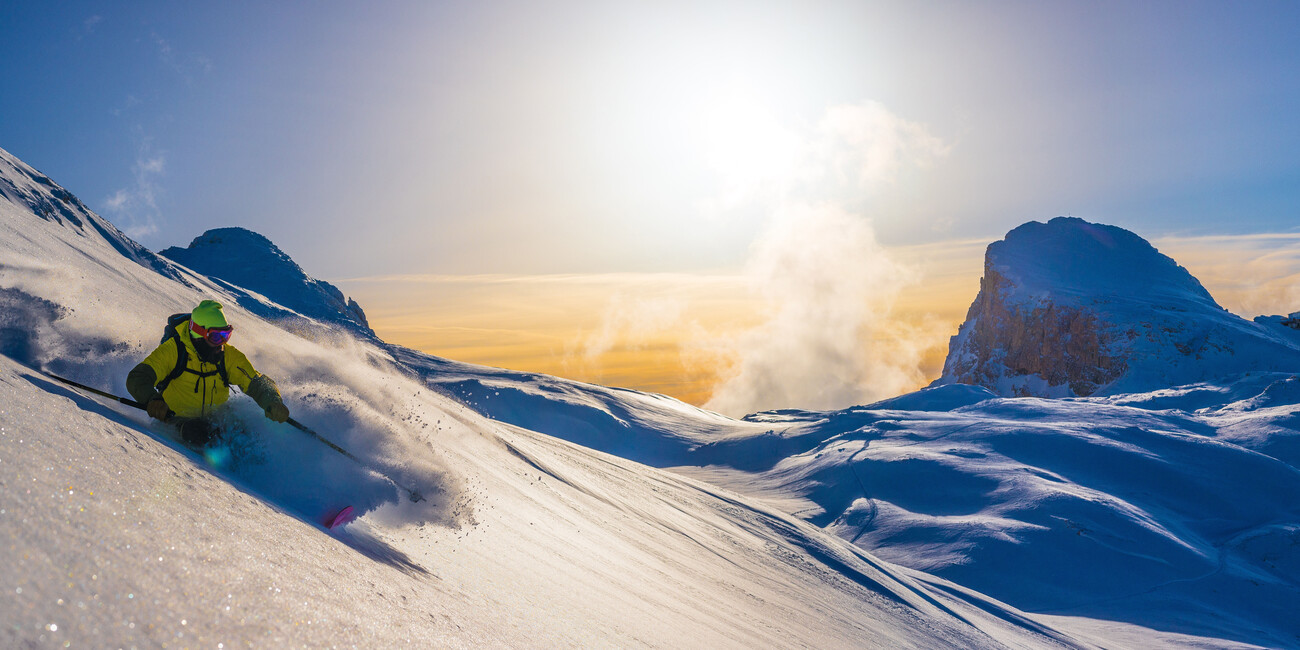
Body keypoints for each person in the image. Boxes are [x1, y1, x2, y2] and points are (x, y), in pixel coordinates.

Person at [126, 299, 289, 447]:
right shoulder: (174, 351)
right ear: (198, 335)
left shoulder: (228, 356)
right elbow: (138, 378)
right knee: (198, 433)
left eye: (226, 335)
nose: (222, 344)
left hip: (216, 421)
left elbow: (256, 382)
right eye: (217, 337)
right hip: (177, 421)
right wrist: (152, 399)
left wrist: (273, 400)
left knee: (245, 437)